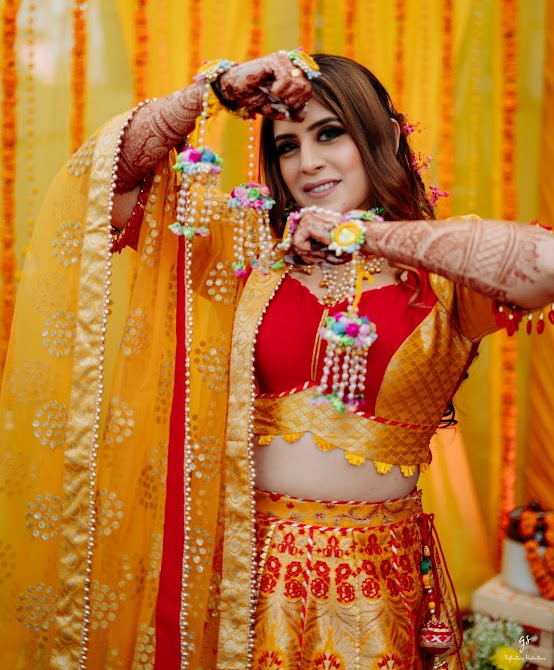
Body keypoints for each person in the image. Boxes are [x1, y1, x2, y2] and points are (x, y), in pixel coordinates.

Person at [0, 51, 552, 670]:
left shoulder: (443, 283)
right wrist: (210, 91)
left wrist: (362, 235)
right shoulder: (247, 264)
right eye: (287, 146)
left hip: (373, 591)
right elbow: (106, 187)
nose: (308, 162)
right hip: (237, 576)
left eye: (329, 134)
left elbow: (545, 264)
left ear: (387, 136)